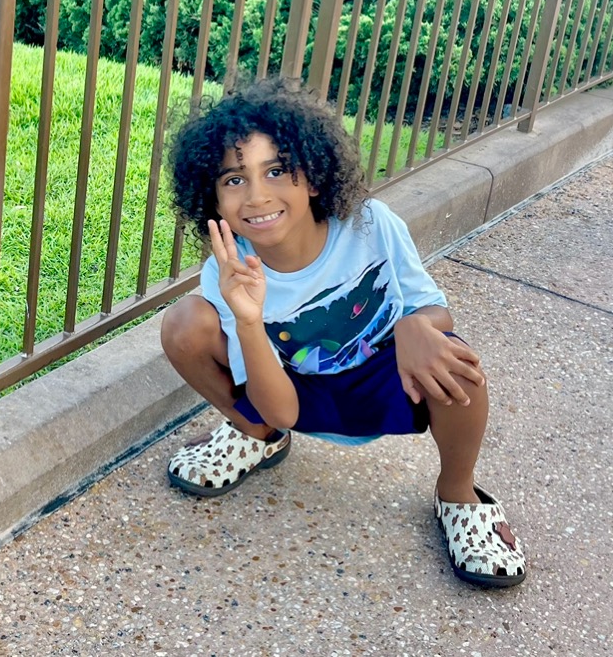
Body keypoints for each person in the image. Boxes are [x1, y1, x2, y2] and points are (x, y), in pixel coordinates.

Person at [161, 78, 526, 588]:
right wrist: (248, 320)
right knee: (183, 325)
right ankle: (256, 437)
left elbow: (431, 308)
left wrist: (417, 324)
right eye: (234, 179)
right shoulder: (229, 274)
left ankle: (458, 494)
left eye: (276, 170)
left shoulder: (369, 224)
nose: (258, 195)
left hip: (385, 380)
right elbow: (283, 409)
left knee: (457, 364)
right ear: (213, 199)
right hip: (291, 389)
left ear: (313, 178)